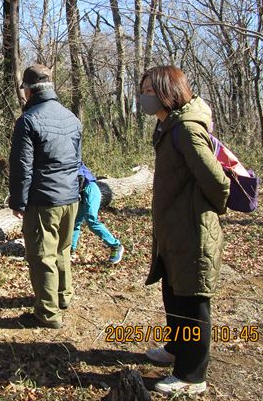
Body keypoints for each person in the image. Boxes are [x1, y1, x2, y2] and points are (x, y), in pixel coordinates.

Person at [139, 65, 230, 396]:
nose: (144, 97)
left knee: (192, 303)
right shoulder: (167, 126)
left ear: (167, 92)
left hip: (192, 231)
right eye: (144, 90)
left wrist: (205, 213)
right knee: (174, 294)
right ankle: (177, 347)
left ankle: (192, 375)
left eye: (150, 90)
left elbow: (217, 181)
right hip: (172, 231)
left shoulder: (186, 130)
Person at [9, 64, 82, 329]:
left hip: (43, 199)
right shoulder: (72, 117)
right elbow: (77, 160)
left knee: (42, 256)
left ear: (29, 91)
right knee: (62, 249)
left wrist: (18, 200)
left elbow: (22, 167)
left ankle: (48, 313)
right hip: (71, 196)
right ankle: (63, 296)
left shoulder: (28, 121)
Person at [71, 162, 124, 264]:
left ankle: (116, 246)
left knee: (91, 220)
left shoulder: (72, 158)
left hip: (90, 189)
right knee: (75, 222)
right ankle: (70, 250)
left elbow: (80, 177)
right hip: (81, 194)